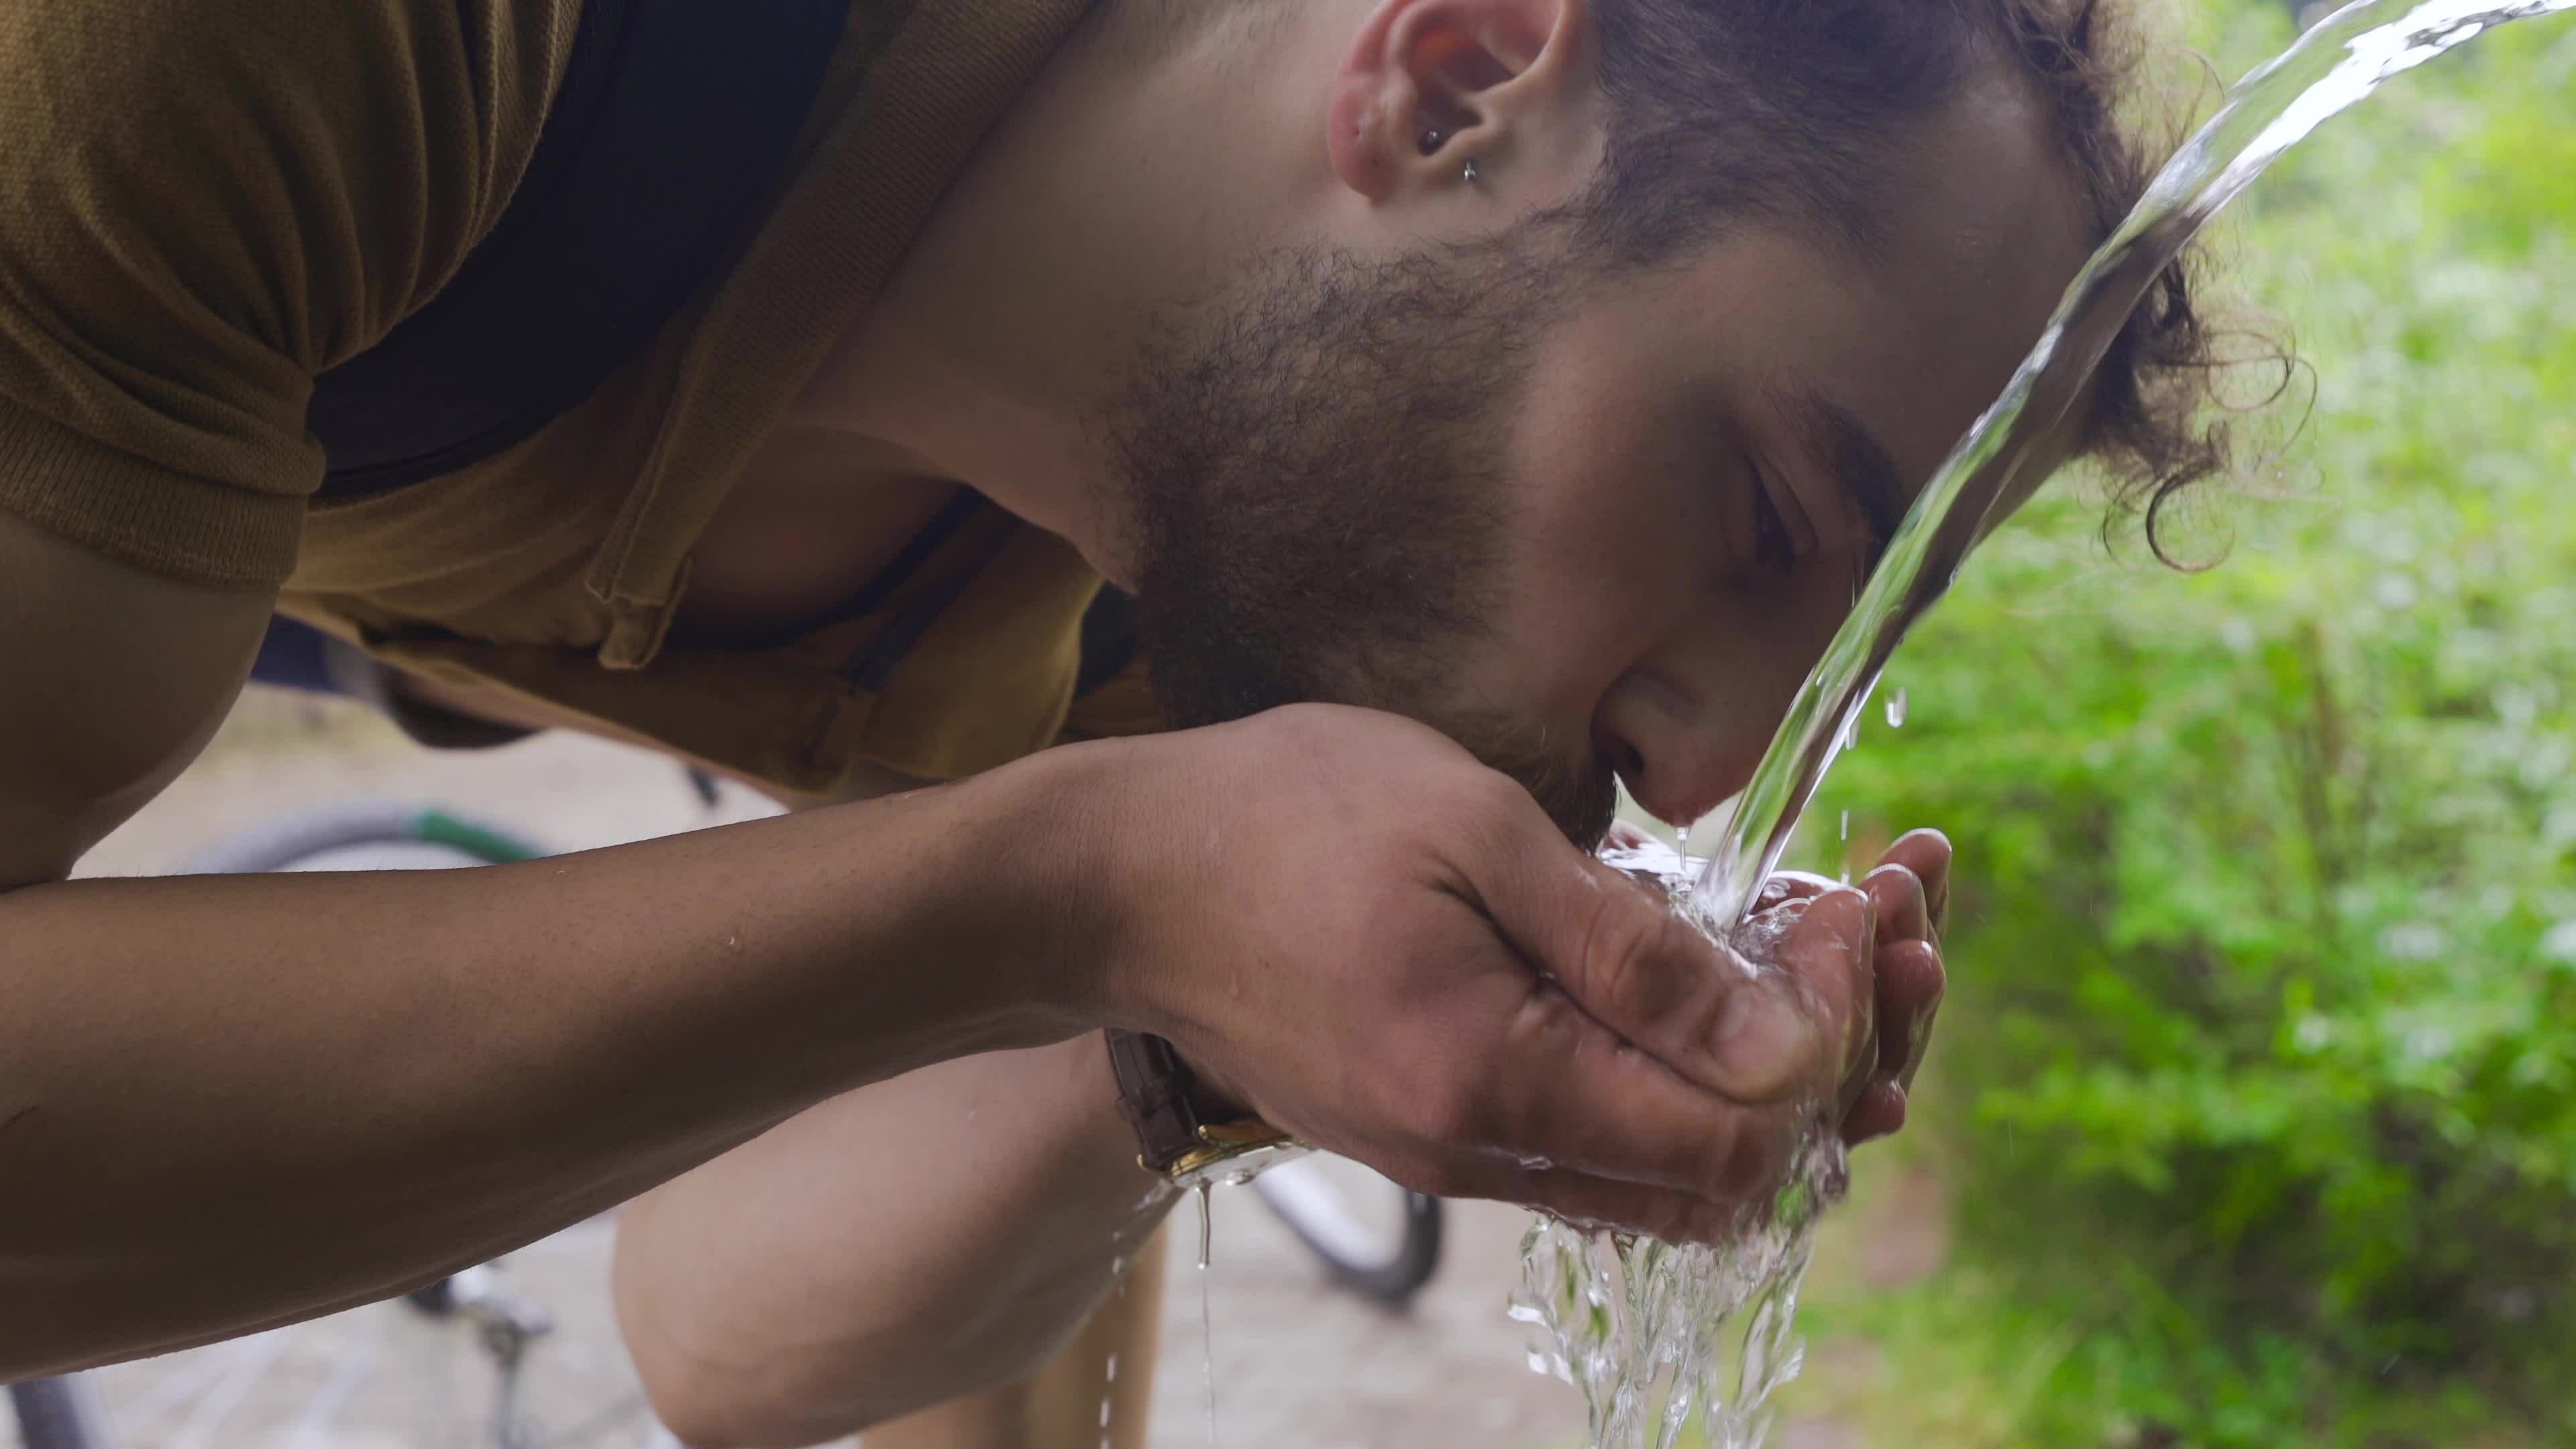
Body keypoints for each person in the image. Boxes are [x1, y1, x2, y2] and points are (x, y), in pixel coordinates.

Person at [0, 0, 2231, 1439]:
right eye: (1757, 514)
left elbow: (736, 1337)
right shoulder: (338, 46)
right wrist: (1068, 878)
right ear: (1453, 80)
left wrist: (1176, 1021)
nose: (1699, 774)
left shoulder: (1201, 624)